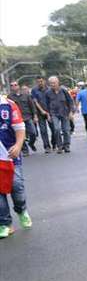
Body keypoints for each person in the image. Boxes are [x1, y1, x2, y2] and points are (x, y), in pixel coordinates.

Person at [0, 94, 32, 239]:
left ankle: (21, 210)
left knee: (16, 186)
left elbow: (19, 127)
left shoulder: (9, 104)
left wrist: (19, 145)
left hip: (9, 154)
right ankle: (5, 223)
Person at [44, 76, 74, 153]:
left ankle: (66, 145)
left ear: (58, 82)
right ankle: (59, 146)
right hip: (54, 114)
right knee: (56, 129)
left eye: (54, 83)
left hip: (65, 113)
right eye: (51, 83)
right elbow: (46, 105)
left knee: (66, 130)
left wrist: (71, 112)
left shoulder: (64, 91)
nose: (52, 85)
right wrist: (48, 115)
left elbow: (70, 101)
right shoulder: (48, 93)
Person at [8, 82, 38, 155]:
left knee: (33, 133)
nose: (14, 86)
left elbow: (32, 106)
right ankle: (25, 150)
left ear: (18, 86)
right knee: (20, 136)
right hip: (17, 119)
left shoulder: (26, 95)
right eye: (12, 85)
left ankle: (31, 143)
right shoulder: (9, 97)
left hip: (27, 117)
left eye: (15, 85)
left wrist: (35, 116)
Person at [30, 77, 53, 153]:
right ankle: (47, 146)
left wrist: (49, 112)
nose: (40, 83)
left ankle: (54, 143)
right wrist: (42, 111)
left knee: (54, 129)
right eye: (38, 82)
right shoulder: (34, 90)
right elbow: (35, 102)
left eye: (41, 81)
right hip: (40, 113)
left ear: (44, 81)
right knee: (43, 131)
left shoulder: (49, 89)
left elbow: (52, 101)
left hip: (50, 112)